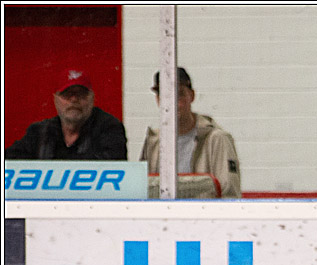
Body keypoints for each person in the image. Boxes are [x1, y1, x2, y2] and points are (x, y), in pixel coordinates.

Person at [140, 67, 241, 198]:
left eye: (179, 94)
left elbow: (229, 194)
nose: (173, 102)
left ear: (191, 96)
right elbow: (143, 192)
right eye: (165, 95)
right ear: (158, 100)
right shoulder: (153, 141)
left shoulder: (216, 139)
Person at [4, 69, 127, 160]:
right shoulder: (40, 132)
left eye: (81, 94)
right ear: (55, 99)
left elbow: (113, 161)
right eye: (67, 95)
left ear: (92, 98)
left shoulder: (109, 128)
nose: (74, 100)